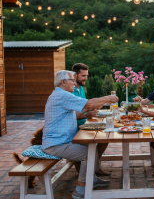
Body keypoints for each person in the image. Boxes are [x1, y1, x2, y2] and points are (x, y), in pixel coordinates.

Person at [42, 70, 118, 199]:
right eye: (72, 80)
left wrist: (89, 112)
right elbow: (88, 103)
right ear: (63, 82)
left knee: (93, 146)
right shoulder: (62, 95)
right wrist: (108, 98)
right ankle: (80, 189)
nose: (74, 82)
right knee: (90, 152)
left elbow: (78, 112)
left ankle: (92, 179)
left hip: (62, 141)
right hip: (56, 144)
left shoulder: (60, 95)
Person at [71, 63, 110, 177]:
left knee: (105, 137)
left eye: (86, 75)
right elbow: (73, 115)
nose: (86, 78)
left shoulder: (81, 88)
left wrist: (96, 107)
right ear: (75, 75)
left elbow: (85, 106)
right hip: (76, 128)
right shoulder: (71, 91)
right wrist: (88, 114)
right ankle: (83, 176)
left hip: (84, 124)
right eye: (83, 76)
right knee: (87, 144)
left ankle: (95, 166)